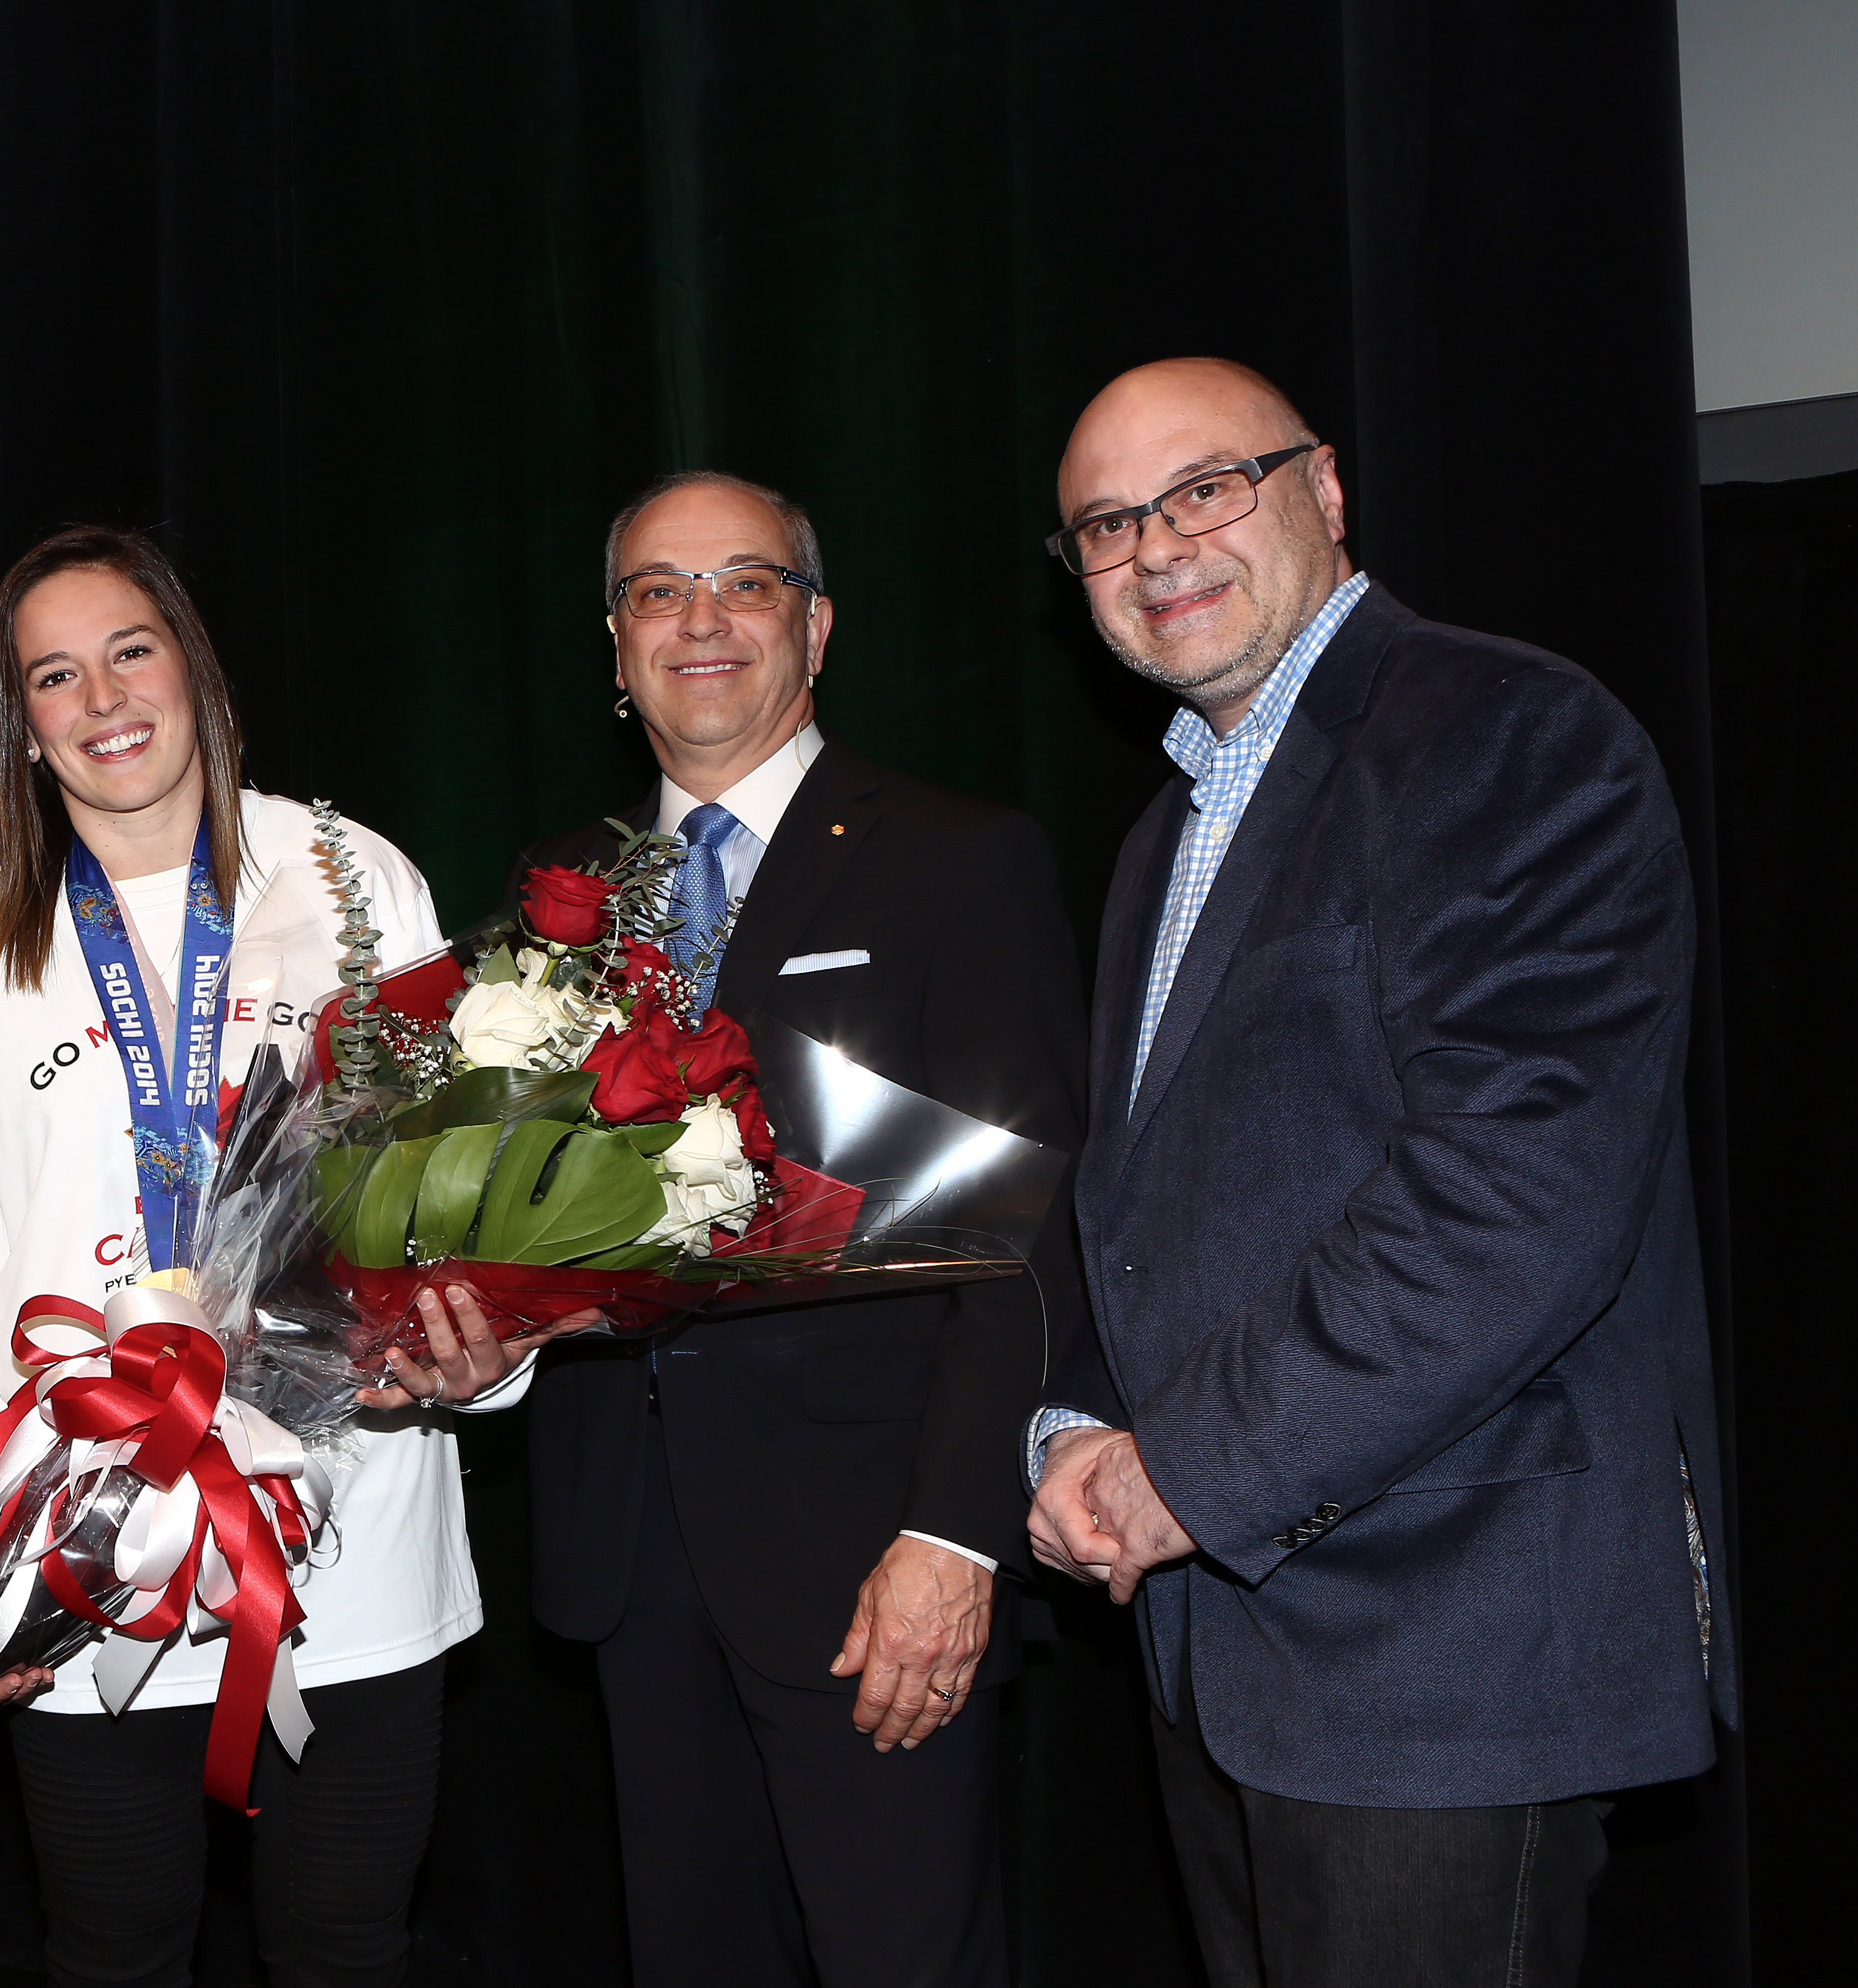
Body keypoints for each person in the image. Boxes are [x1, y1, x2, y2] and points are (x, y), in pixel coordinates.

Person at [1023, 358, 1733, 1986]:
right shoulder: (1163, 837)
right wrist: (1075, 1424)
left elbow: (1511, 1206)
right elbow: (1139, 1206)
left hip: (1447, 1648)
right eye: (1106, 525)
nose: (1156, 546)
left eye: (1205, 489)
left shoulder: (1506, 733)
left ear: (1324, 490)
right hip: (1222, 1648)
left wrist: (1180, 1470)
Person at [429, 470, 1090, 1987]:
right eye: (657, 590)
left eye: (747, 581)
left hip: (870, 1558)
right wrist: (485, 1345)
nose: (701, 618)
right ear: (615, 647)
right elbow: (543, 1223)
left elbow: (1027, 1231)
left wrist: (955, 1534)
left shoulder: (957, 857)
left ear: (818, 625)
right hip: (628, 1553)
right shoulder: (558, 896)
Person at [0, 526, 547, 1988]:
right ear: (19, 723)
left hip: (355, 1541)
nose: (104, 697)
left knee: (347, 1954)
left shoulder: (348, 875)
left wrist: (482, 1363)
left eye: (132, 650)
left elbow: (457, 1202)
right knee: (110, 1954)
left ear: (193, 666)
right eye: (55, 675)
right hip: (83, 1550)